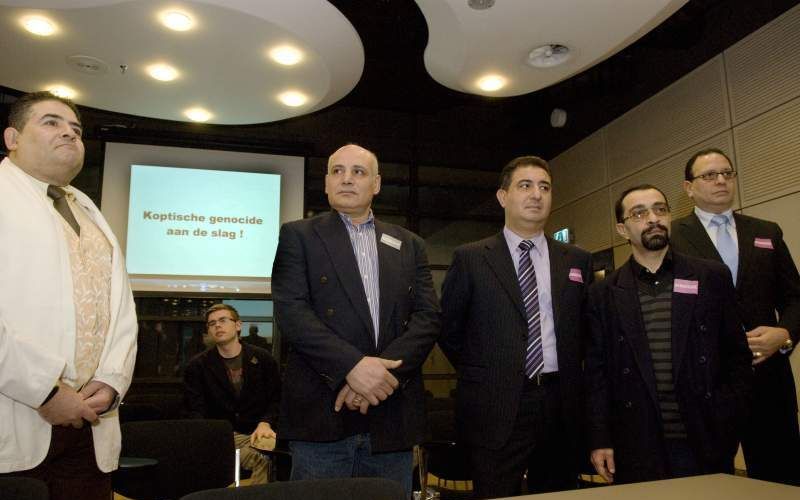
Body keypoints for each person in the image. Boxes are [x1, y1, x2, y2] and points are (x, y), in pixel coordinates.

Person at [271, 144, 440, 496]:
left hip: (390, 413)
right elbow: (292, 311)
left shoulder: (410, 244)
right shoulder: (298, 235)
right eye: (337, 171)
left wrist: (381, 376)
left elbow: (427, 318)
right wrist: (352, 367)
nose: (347, 179)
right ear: (327, 183)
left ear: (376, 184)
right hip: (322, 415)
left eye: (358, 172)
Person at [0, 91, 138, 500]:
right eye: (51, 122)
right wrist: (44, 390)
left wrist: (112, 381)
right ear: (12, 137)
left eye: (76, 129)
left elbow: (121, 311)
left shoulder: (86, 208)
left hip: (90, 428)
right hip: (17, 417)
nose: (69, 133)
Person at [439, 156, 593, 498]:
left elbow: (586, 330)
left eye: (545, 187)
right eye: (525, 186)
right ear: (502, 196)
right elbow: (449, 330)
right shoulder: (471, 257)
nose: (536, 195)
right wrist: (488, 370)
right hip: (495, 404)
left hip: (560, 402)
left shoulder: (576, 259)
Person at [586, 184, 753, 484]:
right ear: (622, 229)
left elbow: (737, 356)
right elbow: (597, 374)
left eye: (660, 209)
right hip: (636, 441)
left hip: (704, 436)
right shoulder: (603, 293)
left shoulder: (711, 276)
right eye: (640, 213)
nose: (653, 218)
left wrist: (728, 418)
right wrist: (601, 437)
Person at [671, 148, 800, 485]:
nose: (721, 181)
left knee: (781, 478)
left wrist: (784, 334)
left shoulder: (766, 232)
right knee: (711, 483)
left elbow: (795, 297)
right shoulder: (671, 238)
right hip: (706, 383)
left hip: (768, 377)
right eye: (709, 175)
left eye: (727, 173)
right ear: (688, 187)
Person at [183, 304, 281, 484]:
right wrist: (212, 436)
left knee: (272, 453)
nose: (217, 326)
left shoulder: (264, 359)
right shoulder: (197, 366)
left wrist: (266, 422)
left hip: (257, 431)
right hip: (220, 434)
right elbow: (195, 410)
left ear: (238, 325)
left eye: (222, 320)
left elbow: (276, 399)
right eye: (212, 323)